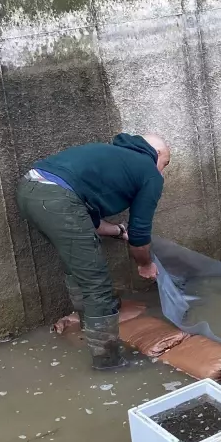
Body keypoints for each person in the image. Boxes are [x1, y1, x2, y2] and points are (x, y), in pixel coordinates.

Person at [16, 133, 171, 370]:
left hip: (31, 191)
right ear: (156, 153)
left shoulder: (112, 158)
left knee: (78, 268)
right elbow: (140, 234)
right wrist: (144, 263)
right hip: (58, 199)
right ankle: (109, 362)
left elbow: (89, 222)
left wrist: (119, 231)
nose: (162, 172)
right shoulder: (148, 171)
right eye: (165, 164)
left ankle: (90, 323)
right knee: (97, 284)